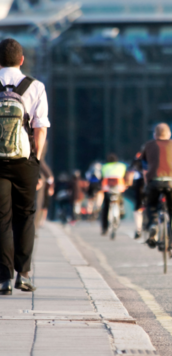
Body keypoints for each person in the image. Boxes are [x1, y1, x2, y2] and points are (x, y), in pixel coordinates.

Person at [0, 38, 49, 294]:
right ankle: (24, 274)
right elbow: (40, 128)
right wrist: (37, 159)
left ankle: (4, 278)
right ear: (22, 60)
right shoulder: (36, 86)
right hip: (24, 159)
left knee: (2, 219)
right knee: (26, 215)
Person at [141, 123, 172, 250]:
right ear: (169, 134)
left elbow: (145, 163)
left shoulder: (148, 145)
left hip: (154, 181)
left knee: (151, 204)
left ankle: (153, 224)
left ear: (155, 135)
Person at [100, 154, 128, 235]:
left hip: (107, 186)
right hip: (119, 185)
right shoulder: (121, 166)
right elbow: (125, 176)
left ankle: (105, 228)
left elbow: (102, 177)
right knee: (120, 197)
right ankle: (122, 209)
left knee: (106, 206)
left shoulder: (104, 166)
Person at [126, 150, 146, 239]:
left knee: (138, 207)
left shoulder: (136, 161)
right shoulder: (154, 158)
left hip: (140, 184)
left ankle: (138, 229)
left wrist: (128, 184)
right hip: (153, 182)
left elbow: (130, 174)